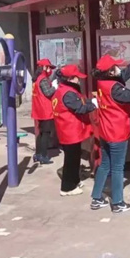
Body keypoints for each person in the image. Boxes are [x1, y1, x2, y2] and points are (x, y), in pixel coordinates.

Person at [90, 52, 130, 213]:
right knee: (117, 168)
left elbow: (124, 74)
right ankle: (117, 203)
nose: (119, 68)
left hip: (105, 131)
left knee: (105, 165)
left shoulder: (103, 82)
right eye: (116, 66)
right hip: (116, 132)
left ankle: (96, 198)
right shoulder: (115, 88)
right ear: (110, 71)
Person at [52, 64, 96, 196]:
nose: (79, 80)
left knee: (75, 157)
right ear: (70, 79)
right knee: (71, 160)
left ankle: (74, 180)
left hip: (68, 130)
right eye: (77, 77)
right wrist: (94, 105)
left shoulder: (63, 89)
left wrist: (91, 101)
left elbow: (81, 102)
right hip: (69, 131)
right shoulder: (68, 93)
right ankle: (67, 187)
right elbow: (80, 108)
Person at [31, 58, 57, 164]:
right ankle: (43, 156)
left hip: (38, 110)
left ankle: (38, 154)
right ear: (44, 67)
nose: (50, 70)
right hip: (45, 110)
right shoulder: (43, 79)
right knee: (46, 133)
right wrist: (55, 87)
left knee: (41, 133)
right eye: (49, 67)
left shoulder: (36, 79)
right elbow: (48, 93)